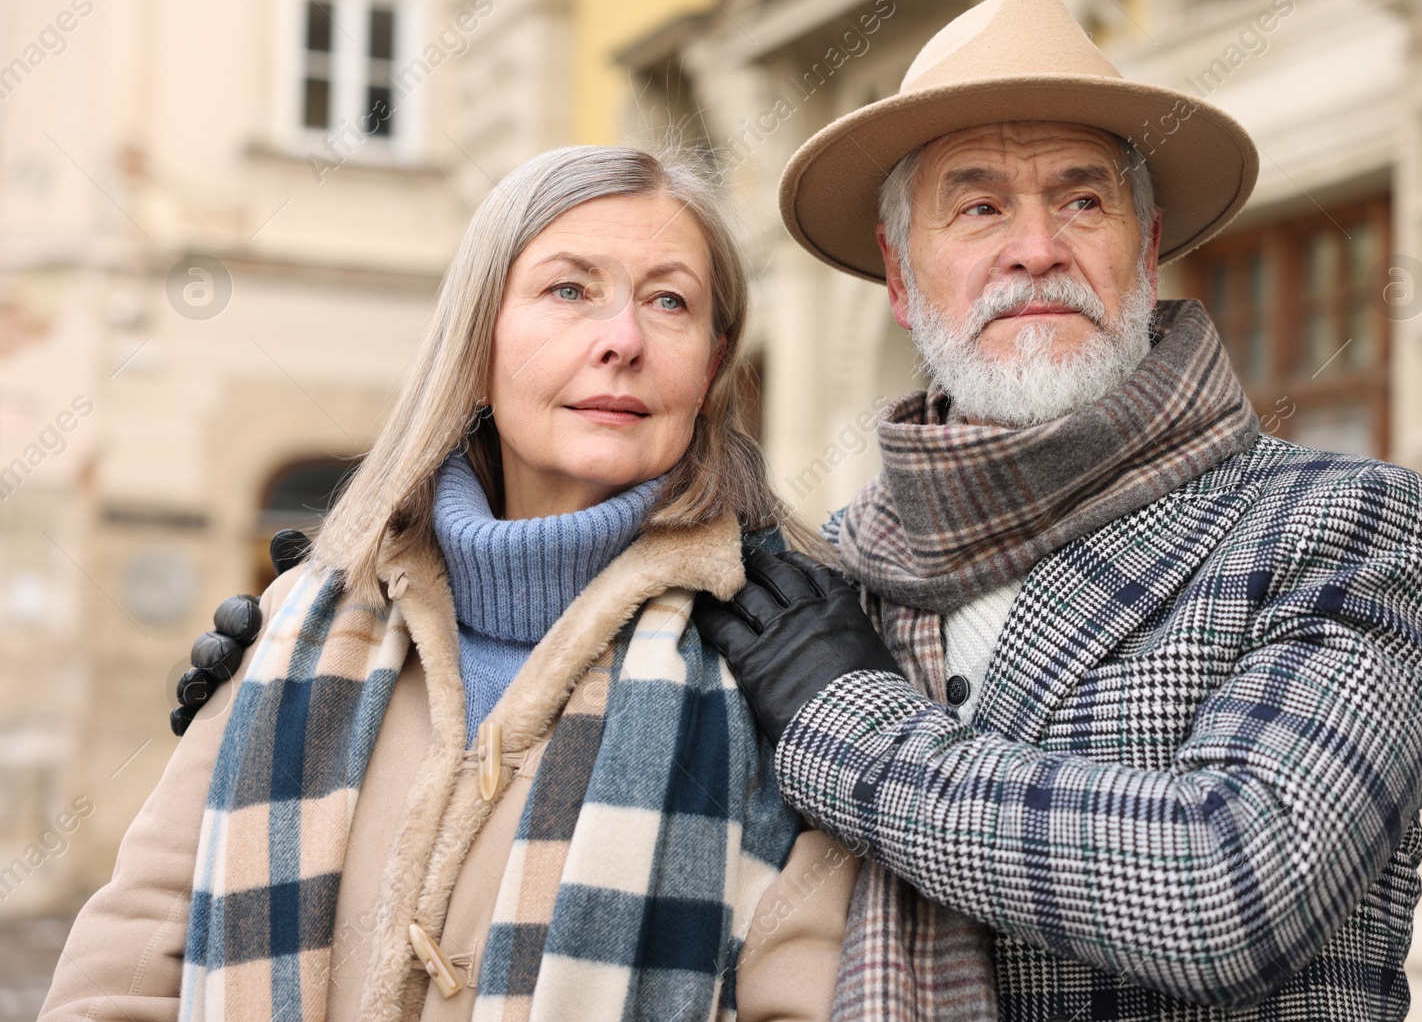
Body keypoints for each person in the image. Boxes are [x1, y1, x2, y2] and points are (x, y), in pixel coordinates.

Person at [692, 0, 1422, 1021]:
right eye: (977, 207)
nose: (1037, 247)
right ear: (899, 275)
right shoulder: (829, 571)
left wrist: (847, 724)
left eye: (1082, 200)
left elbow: (1224, 885)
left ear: (1143, 252)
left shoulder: (1346, 522)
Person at [41, 145, 858, 1022]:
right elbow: (125, 968)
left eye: (669, 301)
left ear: (710, 365)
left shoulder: (781, 656)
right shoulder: (297, 624)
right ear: (476, 346)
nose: (622, 340)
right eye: (570, 290)